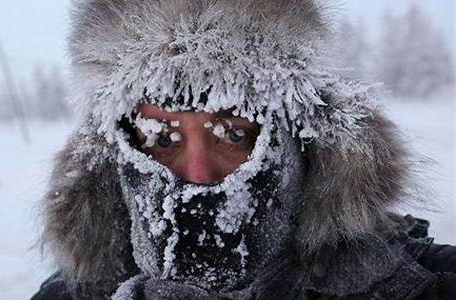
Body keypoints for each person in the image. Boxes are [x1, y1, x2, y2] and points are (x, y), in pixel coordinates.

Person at [31, 0, 455, 299]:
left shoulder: (422, 284)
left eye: (233, 134)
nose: (198, 174)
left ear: (295, 141)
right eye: (162, 139)